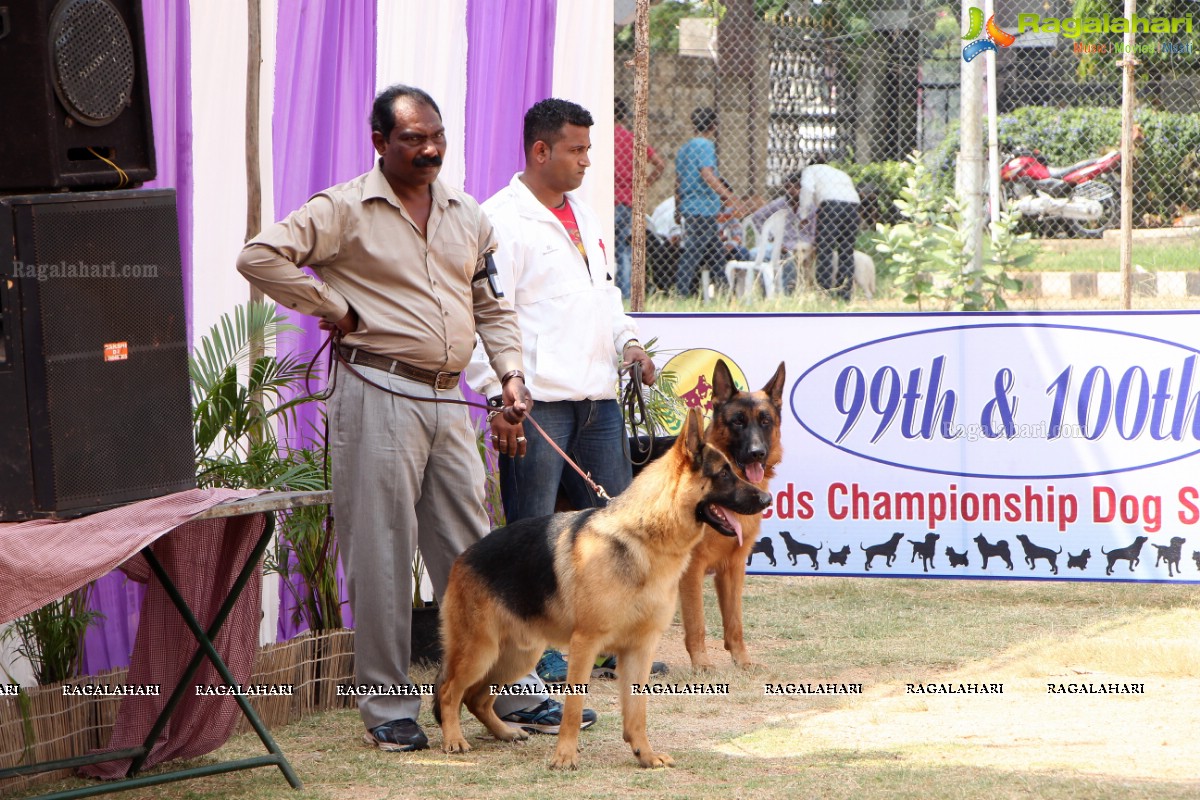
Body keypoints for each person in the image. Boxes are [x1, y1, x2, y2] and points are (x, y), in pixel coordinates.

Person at [237, 84, 553, 753]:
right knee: (380, 552)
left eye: (436, 135)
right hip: (377, 390)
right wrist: (329, 307)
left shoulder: (467, 213)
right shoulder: (345, 208)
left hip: (450, 397)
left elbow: (493, 306)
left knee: (476, 552)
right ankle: (387, 706)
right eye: (413, 138)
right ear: (380, 141)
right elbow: (259, 256)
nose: (430, 148)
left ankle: (502, 688)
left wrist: (511, 379)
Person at [466, 97, 658, 684]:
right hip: (537, 404)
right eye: (577, 150)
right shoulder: (497, 219)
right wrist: (503, 396)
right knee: (536, 537)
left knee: (618, 527)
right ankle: (539, 659)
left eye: (588, 149)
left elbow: (606, 296)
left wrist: (629, 343)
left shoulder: (588, 215)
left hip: (598, 400)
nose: (587, 161)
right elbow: (484, 316)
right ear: (540, 150)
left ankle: (613, 646)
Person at [674, 106, 740, 296]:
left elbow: (677, 181)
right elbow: (707, 173)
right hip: (702, 207)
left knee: (716, 253)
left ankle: (726, 294)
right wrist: (728, 196)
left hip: (691, 206)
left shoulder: (684, 149)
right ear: (713, 126)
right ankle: (681, 292)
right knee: (693, 252)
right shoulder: (705, 145)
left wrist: (678, 208)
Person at [613, 97, 665, 299]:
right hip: (629, 200)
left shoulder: (603, 139)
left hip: (608, 199)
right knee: (625, 249)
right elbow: (659, 164)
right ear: (624, 116)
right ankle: (625, 295)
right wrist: (644, 184)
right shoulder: (633, 140)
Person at [798, 162, 861, 300]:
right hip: (853, 205)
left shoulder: (809, 170)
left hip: (831, 205)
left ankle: (823, 291)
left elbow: (807, 191)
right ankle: (844, 293)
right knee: (846, 251)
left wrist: (803, 215)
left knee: (825, 249)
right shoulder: (839, 172)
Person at [747, 171, 816, 292]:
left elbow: (815, 235)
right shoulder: (780, 203)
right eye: (788, 187)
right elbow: (757, 217)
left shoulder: (811, 207)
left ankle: (787, 293)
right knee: (753, 254)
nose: (792, 190)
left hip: (802, 248)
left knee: (790, 258)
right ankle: (767, 292)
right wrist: (771, 237)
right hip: (779, 245)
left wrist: (800, 245)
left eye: (796, 187)